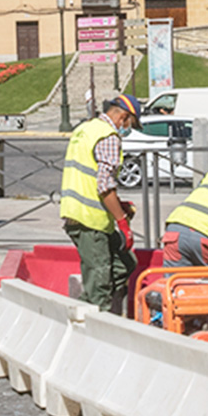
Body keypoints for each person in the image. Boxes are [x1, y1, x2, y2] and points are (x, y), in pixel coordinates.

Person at [62, 93, 141, 314]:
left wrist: (118, 205)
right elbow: (104, 185)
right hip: (90, 219)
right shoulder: (109, 136)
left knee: (124, 263)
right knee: (99, 280)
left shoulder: (86, 128)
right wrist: (123, 223)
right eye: (130, 125)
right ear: (123, 117)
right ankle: (97, 319)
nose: (128, 130)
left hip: (76, 212)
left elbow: (91, 179)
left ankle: (104, 308)